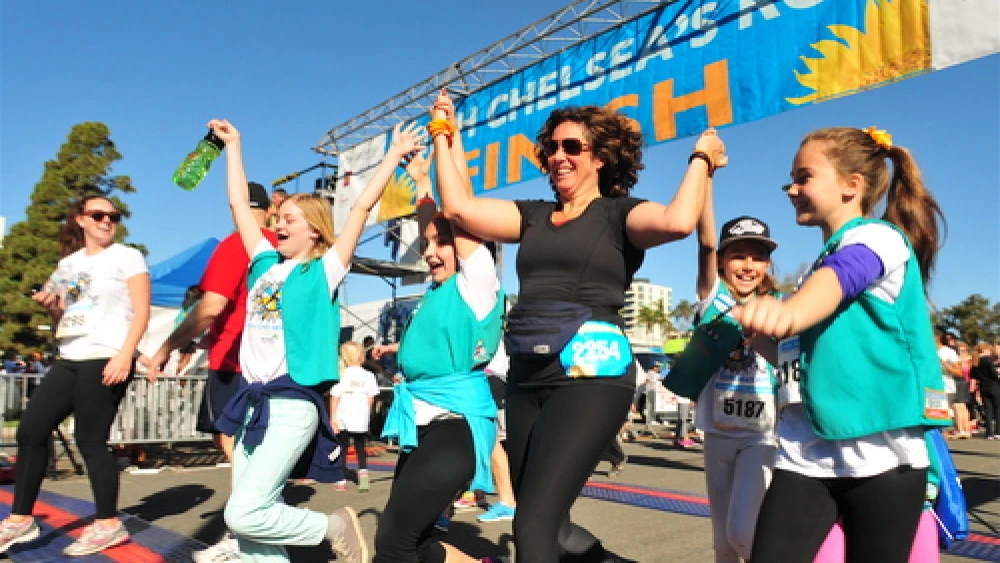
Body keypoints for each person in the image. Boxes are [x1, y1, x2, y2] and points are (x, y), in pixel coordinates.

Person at [431, 88, 725, 562]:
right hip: (529, 376)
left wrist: (701, 158)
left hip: (592, 380)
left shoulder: (619, 216)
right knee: (546, 518)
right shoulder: (533, 216)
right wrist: (446, 133)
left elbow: (677, 221)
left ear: (601, 159)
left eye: (572, 147)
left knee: (533, 527)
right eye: (552, 148)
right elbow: (460, 209)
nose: (558, 157)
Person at [206, 118, 421, 562]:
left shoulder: (323, 271)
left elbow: (360, 208)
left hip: (291, 404)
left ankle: (332, 526)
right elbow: (237, 205)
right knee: (253, 536)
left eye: (289, 219)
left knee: (243, 513)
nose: (279, 224)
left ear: (315, 232)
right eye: (277, 218)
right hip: (252, 404)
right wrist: (234, 146)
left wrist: (392, 157)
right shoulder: (264, 264)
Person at [735, 126, 950, 563]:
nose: (791, 189)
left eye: (804, 177)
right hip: (806, 452)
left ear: (852, 185)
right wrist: (764, 340)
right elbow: (812, 358)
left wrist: (787, 313)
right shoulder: (820, 264)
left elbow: (844, 276)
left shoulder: (876, 239)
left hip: (882, 455)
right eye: (789, 180)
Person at [372, 117, 505, 563]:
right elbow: (433, 216)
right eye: (427, 243)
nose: (430, 251)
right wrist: (421, 180)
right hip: (423, 425)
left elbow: (458, 210)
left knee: (393, 543)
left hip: (456, 426)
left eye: (441, 244)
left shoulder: (477, 283)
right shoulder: (437, 289)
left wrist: (445, 133)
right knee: (418, 537)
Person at [0, 195, 150, 556]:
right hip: (70, 355)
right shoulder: (68, 264)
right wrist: (52, 309)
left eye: (113, 216)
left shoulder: (127, 256)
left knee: (90, 439)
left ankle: (108, 524)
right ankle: (21, 521)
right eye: (98, 215)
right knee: (31, 430)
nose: (107, 221)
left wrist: (125, 355)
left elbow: (142, 309)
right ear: (81, 220)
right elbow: (64, 319)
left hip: (106, 355)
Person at [144, 181, 278, 562]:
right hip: (271, 365)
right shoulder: (281, 247)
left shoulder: (235, 245)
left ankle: (247, 536)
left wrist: (166, 347)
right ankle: (260, 531)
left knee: (238, 448)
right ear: (268, 210)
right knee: (257, 451)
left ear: (234, 209)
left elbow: (210, 308)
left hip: (234, 364)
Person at [693, 201, 781, 559]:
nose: (747, 266)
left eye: (757, 257)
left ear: (768, 264)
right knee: (723, 542)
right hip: (716, 435)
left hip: (762, 436)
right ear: (721, 262)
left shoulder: (780, 306)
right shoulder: (711, 300)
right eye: (738, 255)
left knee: (743, 531)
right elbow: (705, 242)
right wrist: (705, 175)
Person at [330, 340, 379, 492]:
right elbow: (371, 398)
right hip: (361, 417)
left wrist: (333, 417)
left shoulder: (341, 375)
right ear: (361, 356)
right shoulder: (369, 376)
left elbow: (335, 397)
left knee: (342, 447)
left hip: (343, 416)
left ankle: (340, 479)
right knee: (360, 447)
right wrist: (366, 411)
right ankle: (363, 475)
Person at [971, 342, 1000, 440]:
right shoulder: (989, 360)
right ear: (985, 350)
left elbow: (973, 375)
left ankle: (989, 433)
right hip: (994, 386)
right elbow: (993, 373)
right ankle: (998, 431)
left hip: (983, 386)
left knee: (988, 409)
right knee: (997, 409)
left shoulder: (976, 361)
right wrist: (997, 375)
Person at [173, 285, 204, 375]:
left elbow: (177, 320)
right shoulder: (198, 304)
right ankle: (182, 380)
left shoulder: (184, 305)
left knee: (182, 358)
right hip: (191, 335)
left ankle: (178, 377)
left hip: (179, 333)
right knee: (187, 359)